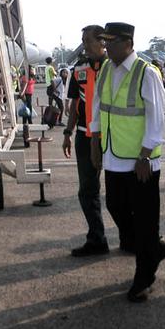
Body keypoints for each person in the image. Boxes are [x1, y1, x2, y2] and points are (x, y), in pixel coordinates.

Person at [88, 22, 165, 302]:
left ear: (128, 43)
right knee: (115, 206)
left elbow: (156, 117)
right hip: (114, 155)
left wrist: (146, 155)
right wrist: (95, 142)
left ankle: (144, 278)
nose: (106, 46)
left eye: (110, 41)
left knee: (146, 220)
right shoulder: (107, 71)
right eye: (104, 41)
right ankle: (152, 249)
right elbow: (99, 107)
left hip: (139, 161)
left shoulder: (146, 73)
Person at [63, 25, 108, 256]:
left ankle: (132, 238)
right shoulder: (78, 69)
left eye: (88, 40)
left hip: (111, 138)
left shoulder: (114, 67)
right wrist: (67, 133)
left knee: (120, 193)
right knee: (87, 191)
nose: (84, 45)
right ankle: (97, 239)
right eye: (82, 40)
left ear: (102, 41)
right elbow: (74, 105)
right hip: (84, 135)